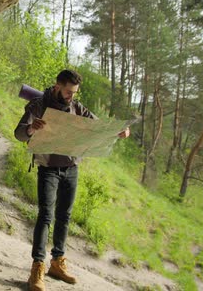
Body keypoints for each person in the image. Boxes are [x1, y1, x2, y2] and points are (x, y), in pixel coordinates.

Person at [14, 69, 130, 291]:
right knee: (45, 216)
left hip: (71, 169)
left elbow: (99, 129)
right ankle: (37, 268)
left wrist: (119, 132)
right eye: (68, 92)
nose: (71, 96)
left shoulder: (78, 109)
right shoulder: (38, 104)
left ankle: (57, 263)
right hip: (48, 168)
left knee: (64, 217)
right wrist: (31, 128)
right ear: (57, 85)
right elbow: (18, 134)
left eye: (74, 92)